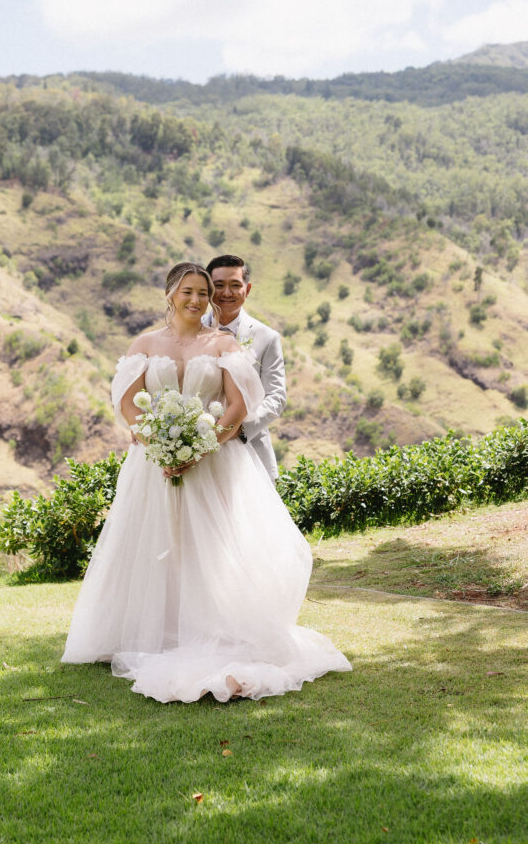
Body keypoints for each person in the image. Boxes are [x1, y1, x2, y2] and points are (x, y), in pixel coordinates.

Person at [61, 262, 351, 703]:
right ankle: (153, 631)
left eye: (203, 293)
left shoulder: (223, 343)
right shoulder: (144, 344)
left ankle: (212, 627)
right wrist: (158, 446)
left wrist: (198, 448)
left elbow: (236, 406)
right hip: (152, 466)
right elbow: (128, 407)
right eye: (188, 292)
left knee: (211, 549)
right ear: (170, 294)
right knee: (157, 543)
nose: (197, 300)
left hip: (215, 461)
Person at [204, 254, 285, 480]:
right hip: (197, 449)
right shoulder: (190, 329)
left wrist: (238, 429)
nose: (226, 293)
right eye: (218, 285)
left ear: (247, 290)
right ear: (208, 288)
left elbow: (276, 396)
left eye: (235, 285)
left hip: (249, 450)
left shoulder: (267, 337)